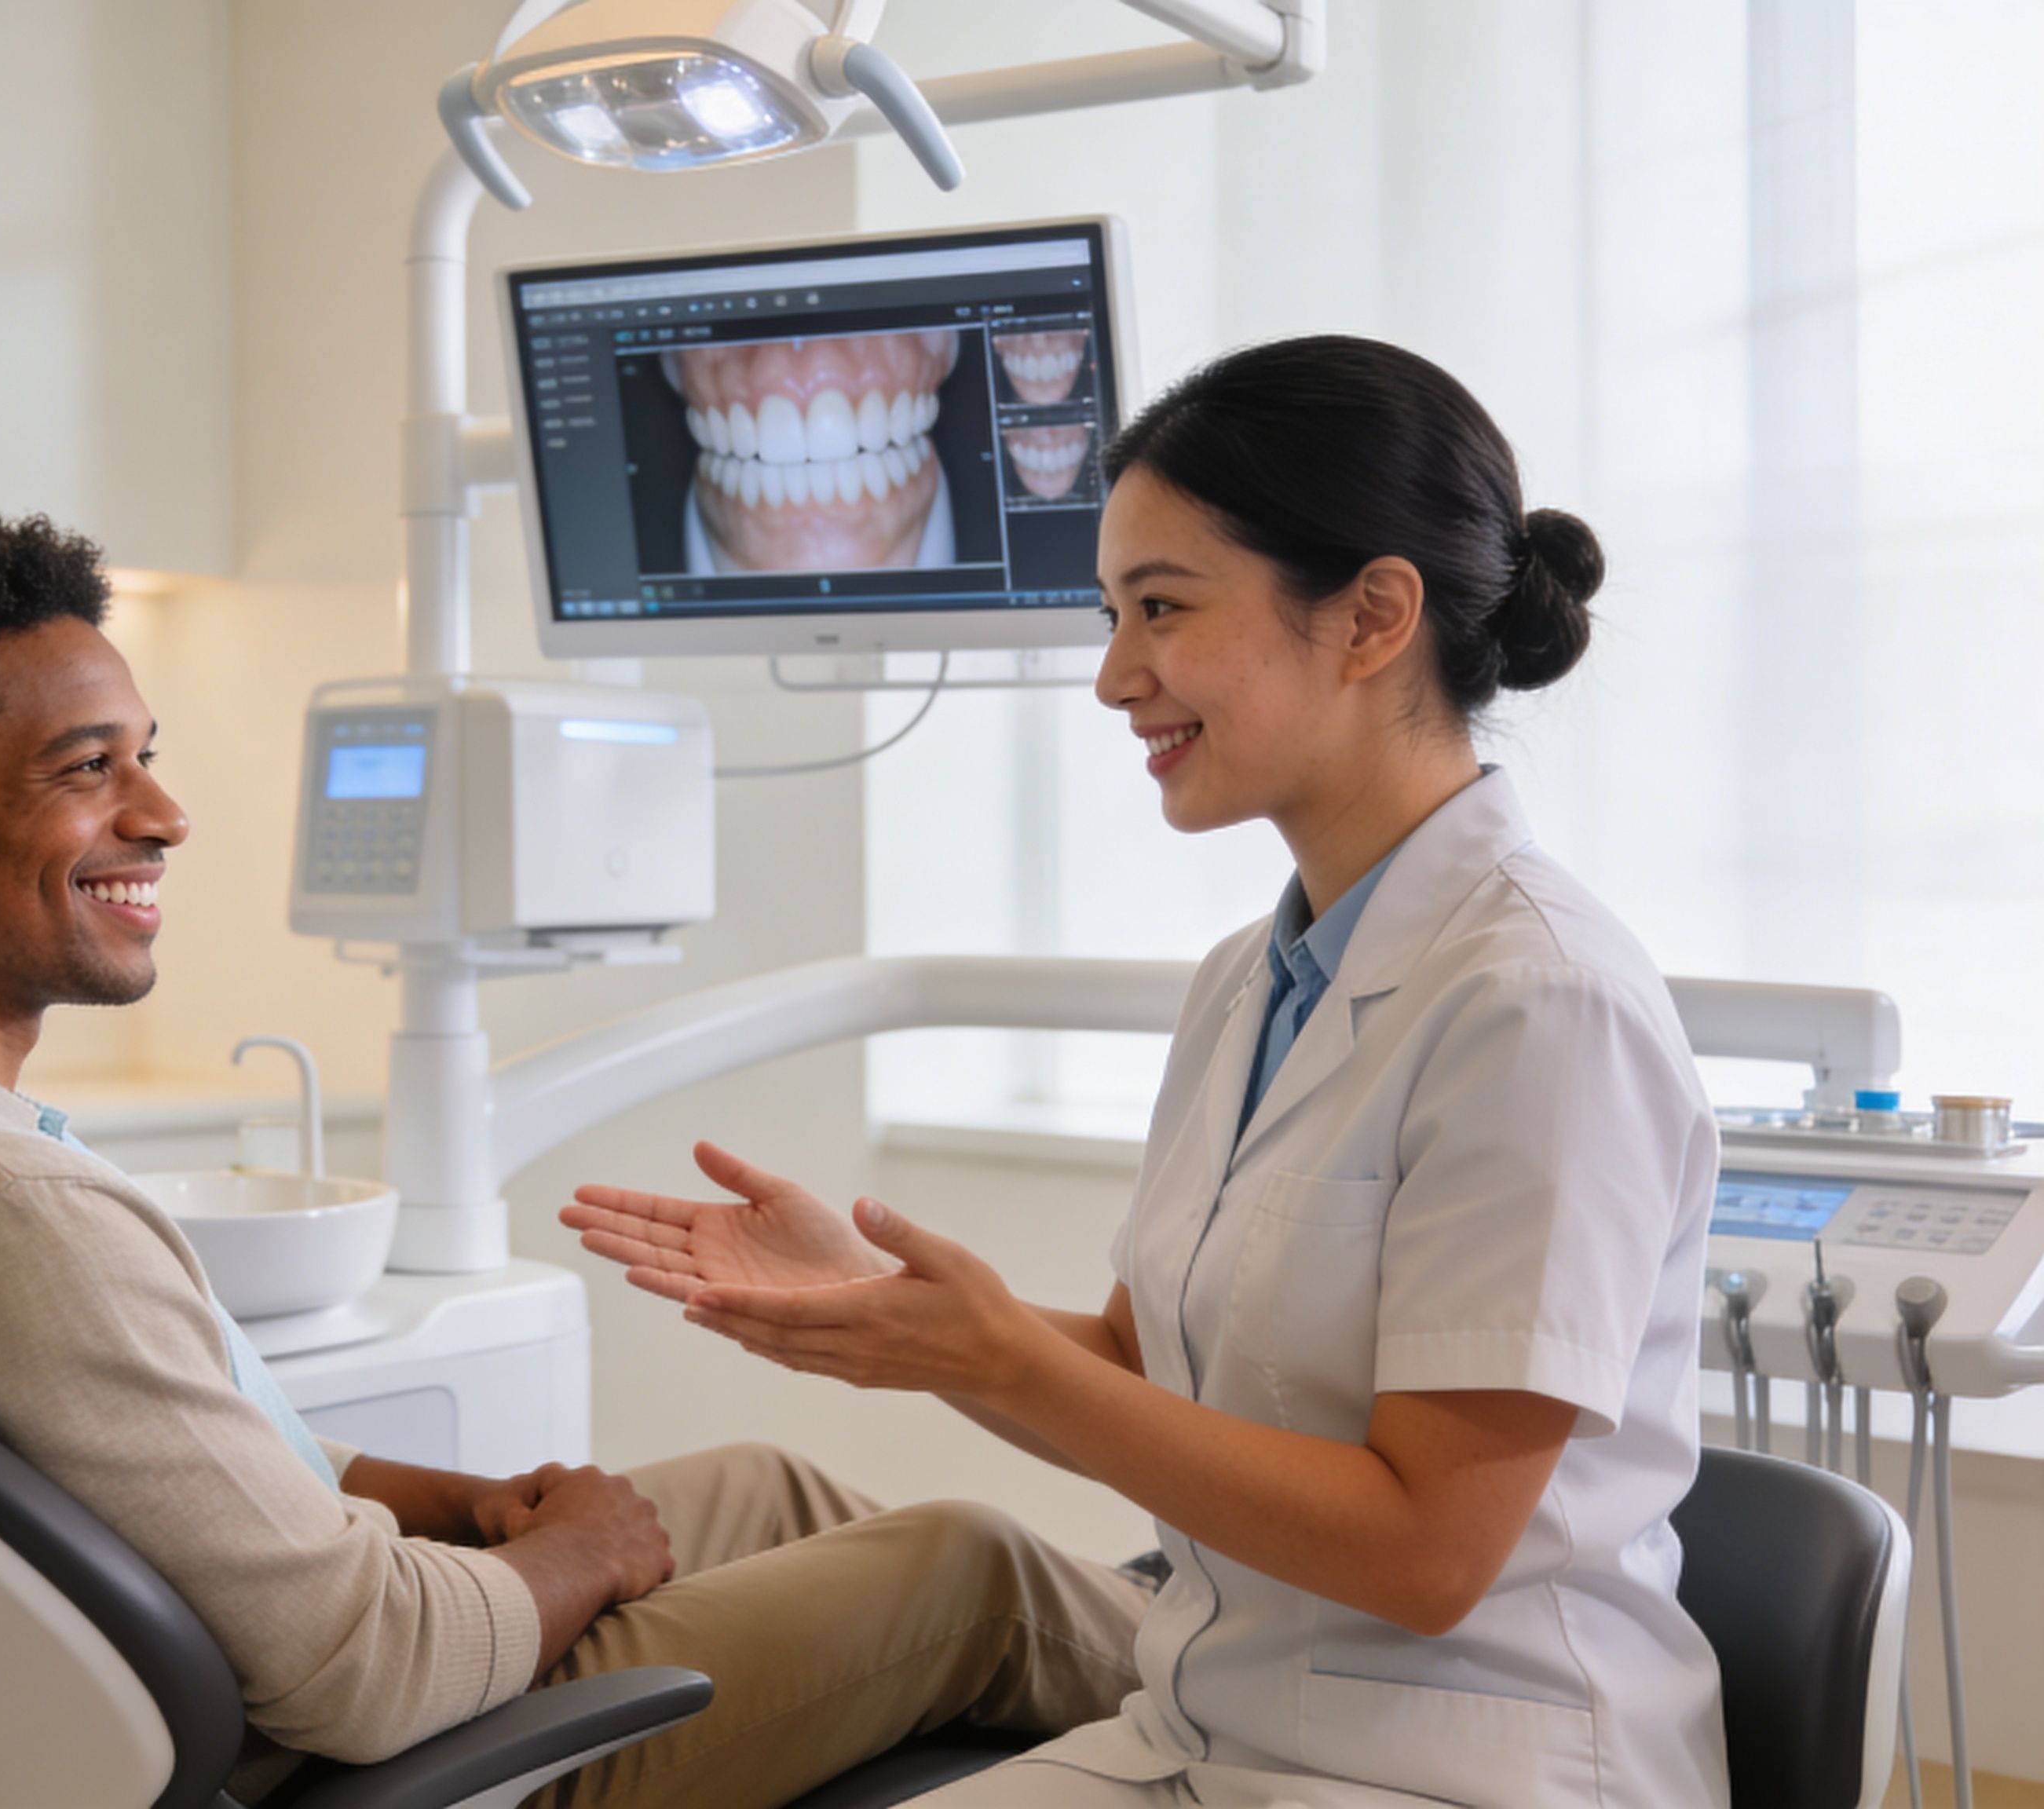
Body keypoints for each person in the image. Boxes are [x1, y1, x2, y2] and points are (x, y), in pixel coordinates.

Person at [0, 505, 1150, 1809]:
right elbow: (366, 1675)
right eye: (88, 768)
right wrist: (570, 1558)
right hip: (377, 1760)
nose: (166, 815)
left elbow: (140, 1475)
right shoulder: (0, 1218)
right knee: (969, 1563)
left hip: (242, 1668)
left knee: (763, 1484)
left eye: (149, 759)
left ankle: (1165, 1649)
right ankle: (1282, 1722)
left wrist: (461, 1503)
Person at [563, 335, 1728, 1808]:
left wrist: (997, 1359)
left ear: (1373, 616)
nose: (1117, 678)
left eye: (1162, 611)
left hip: (1468, 1761)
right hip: (1205, 1727)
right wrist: (892, 1321)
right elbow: (1146, 1367)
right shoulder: (1252, 978)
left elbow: (1428, 1553)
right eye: (1114, 614)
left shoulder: (1539, 1005)